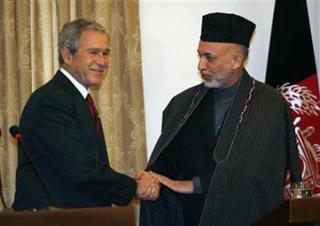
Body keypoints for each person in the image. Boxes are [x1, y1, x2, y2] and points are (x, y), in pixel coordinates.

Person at [140, 12, 301, 226]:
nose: (201, 65)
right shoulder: (182, 104)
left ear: (236, 60)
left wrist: (194, 185)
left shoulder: (270, 106)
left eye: (210, 57)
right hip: (192, 218)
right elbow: (168, 161)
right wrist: (152, 178)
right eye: (200, 55)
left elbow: (262, 176)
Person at [12, 18, 159, 211]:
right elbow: (79, 168)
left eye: (106, 53)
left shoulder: (75, 99)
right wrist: (134, 187)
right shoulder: (51, 101)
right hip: (52, 218)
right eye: (93, 52)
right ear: (67, 55)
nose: (102, 61)